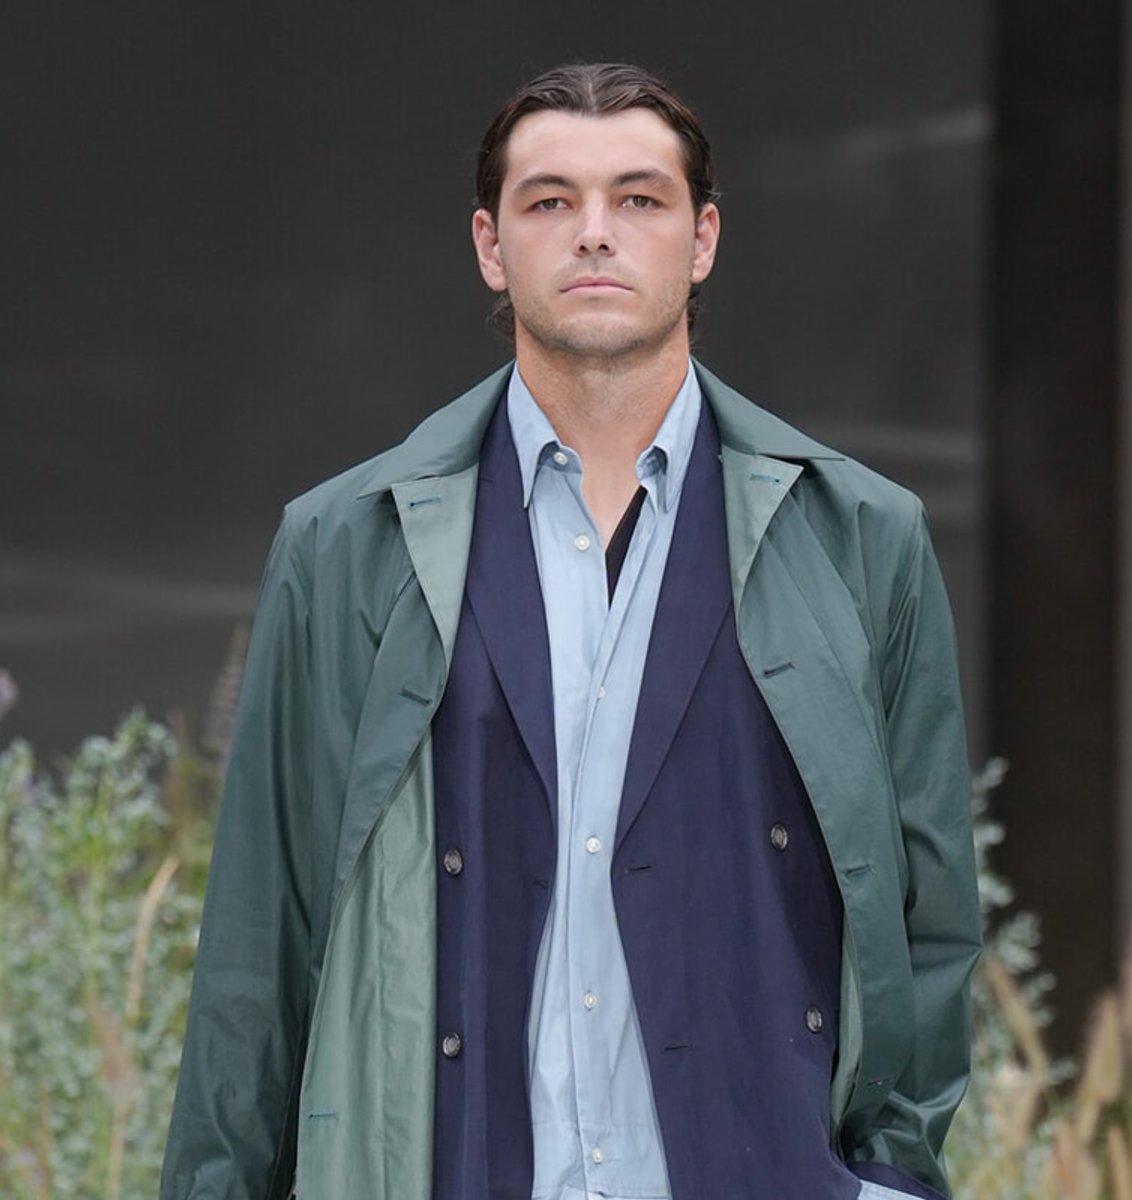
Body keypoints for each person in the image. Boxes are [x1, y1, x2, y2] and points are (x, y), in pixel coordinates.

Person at [161, 62, 981, 1200]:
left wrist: (893, 1179)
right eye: (551, 202)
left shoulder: (860, 537)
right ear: (492, 247)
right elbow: (262, 936)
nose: (595, 233)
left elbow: (930, 914)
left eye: (637, 199)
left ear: (702, 240)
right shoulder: (347, 545)